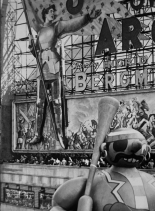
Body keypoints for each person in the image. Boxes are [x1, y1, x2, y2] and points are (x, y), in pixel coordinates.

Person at [28, 4, 101, 148]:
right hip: (41, 69)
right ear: (44, 15)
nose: (53, 14)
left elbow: (71, 25)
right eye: (50, 12)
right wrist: (32, 46)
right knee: (39, 103)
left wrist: (87, 18)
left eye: (53, 12)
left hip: (54, 67)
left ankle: (60, 135)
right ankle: (37, 134)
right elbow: (36, 53)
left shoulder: (57, 26)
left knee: (57, 103)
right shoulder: (39, 32)